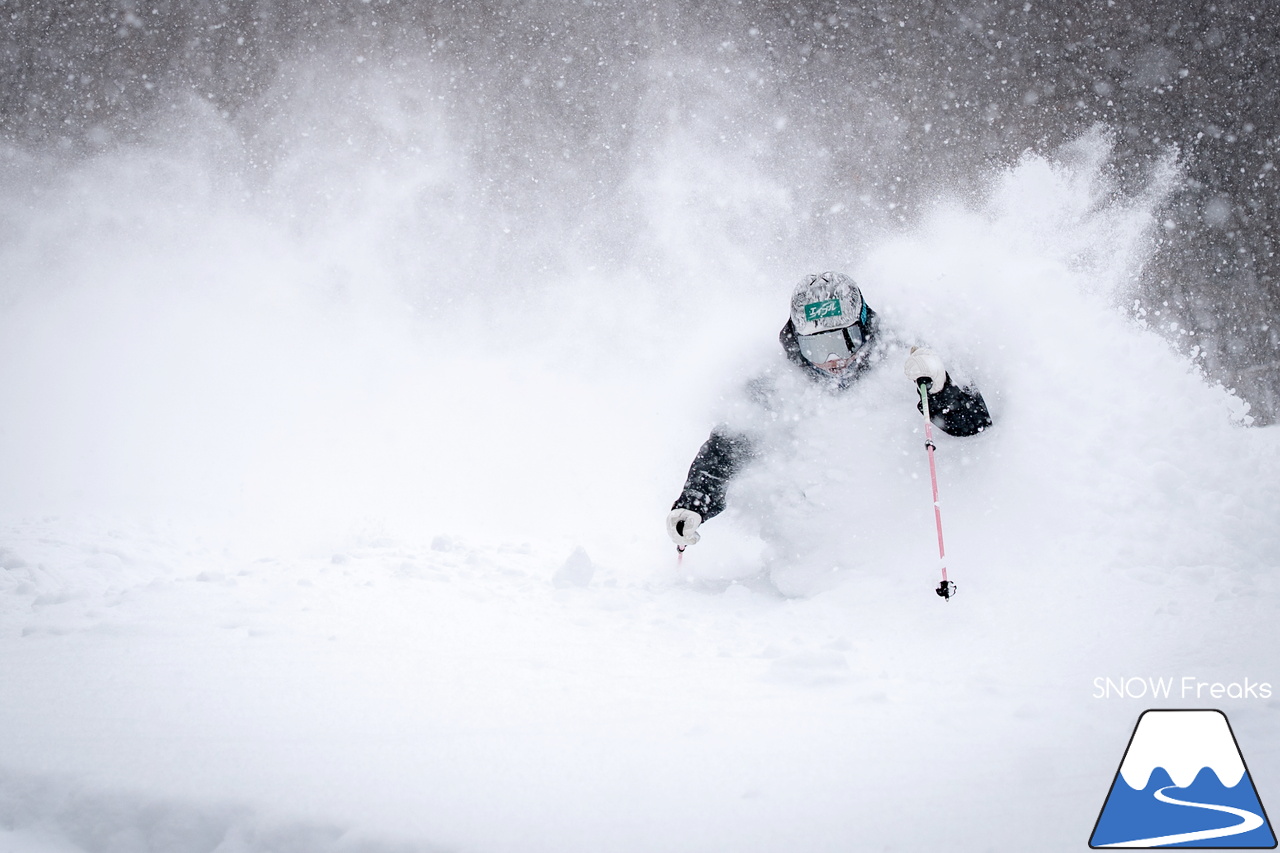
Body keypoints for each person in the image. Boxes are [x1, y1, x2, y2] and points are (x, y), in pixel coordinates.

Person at [666, 271, 992, 548]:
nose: (832, 360)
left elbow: (974, 427)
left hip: (902, 541)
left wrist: (940, 389)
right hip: (818, 560)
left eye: (843, 342)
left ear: (863, 326)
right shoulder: (775, 385)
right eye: (816, 348)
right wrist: (694, 503)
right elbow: (725, 452)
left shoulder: (905, 357)